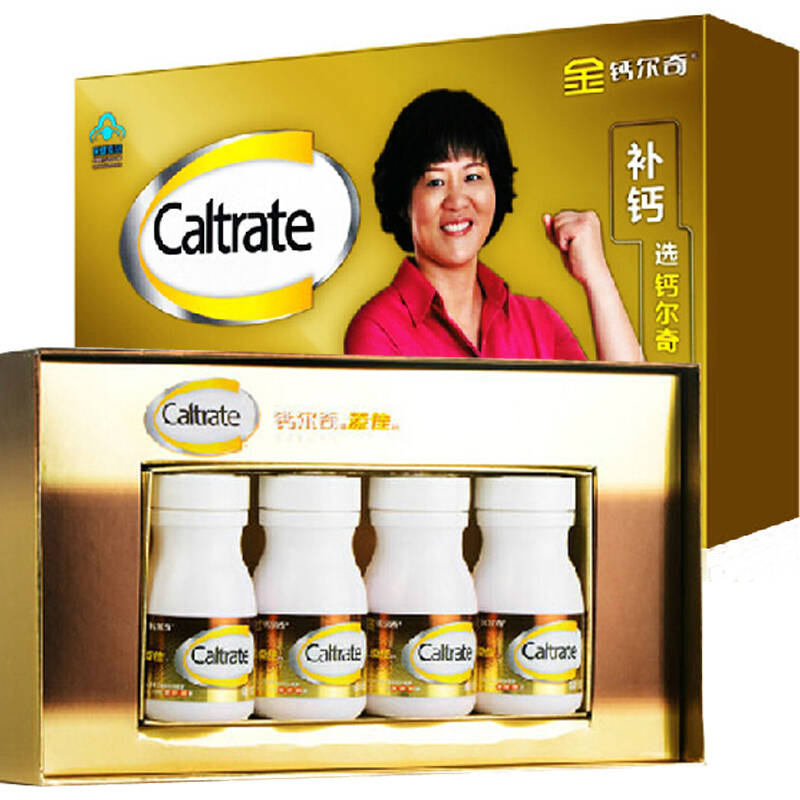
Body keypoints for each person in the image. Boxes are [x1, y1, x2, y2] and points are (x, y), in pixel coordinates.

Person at [344, 89, 643, 362]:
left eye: (473, 177)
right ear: (403, 201)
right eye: (435, 182)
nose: (457, 201)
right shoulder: (377, 329)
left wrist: (596, 277)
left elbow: (634, 399)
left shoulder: (538, 322)